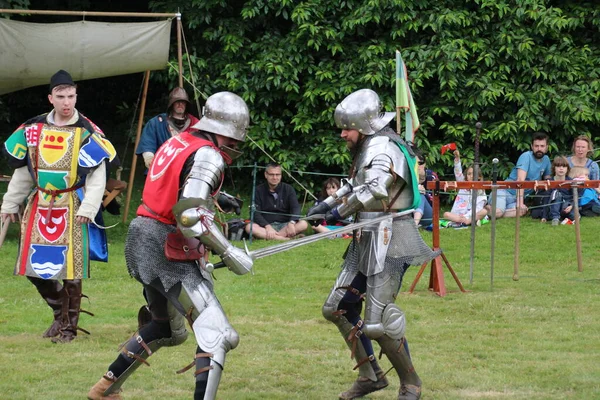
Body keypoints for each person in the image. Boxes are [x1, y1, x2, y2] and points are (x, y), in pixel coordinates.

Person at [87, 92, 254, 400]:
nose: (235, 145)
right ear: (223, 130)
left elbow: (174, 187)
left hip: (142, 236)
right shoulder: (209, 153)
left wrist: (216, 197)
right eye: (234, 137)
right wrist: (229, 252)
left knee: (167, 329)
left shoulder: (178, 141)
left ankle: (104, 389)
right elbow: (189, 215)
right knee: (219, 336)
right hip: (167, 247)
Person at [307, 89, 439, 400]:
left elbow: (376, 189)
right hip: (367, 238)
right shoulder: (370, 145)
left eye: (346, 128)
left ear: (364, 126)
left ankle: (411, 382)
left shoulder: (382, 146)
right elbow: (358, 183)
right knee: (337, 308)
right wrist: (326, 203)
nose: (342, 134)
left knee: (377, 324)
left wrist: (339, 212)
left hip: (392, 238)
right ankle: (371, 376)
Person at [1, 69, 117, 343]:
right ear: (50, 98)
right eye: (61, 96)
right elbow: (24, 171)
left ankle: (68, 328)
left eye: (71, 96)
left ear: (76, 96)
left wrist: (89, 208)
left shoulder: (86, 131)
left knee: (71, 269)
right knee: (33, 268)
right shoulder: (34, 129)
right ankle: (59, 313)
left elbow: (98, 174)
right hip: (40, 204)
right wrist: (9, 204)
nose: (67, 102)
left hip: (72, 204)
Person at [135, 87, 200, 169]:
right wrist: (150, 159)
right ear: (172, 104)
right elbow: (148, 144)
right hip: (161, 167)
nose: (180, 104)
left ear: (186, 104)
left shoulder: (195, 124)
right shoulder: (156, 123)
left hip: (188, 169)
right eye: (177, 102)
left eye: (183, 102)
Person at [491, 132, 552, 218]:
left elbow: (548, 180)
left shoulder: (546, 160)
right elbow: (520, 180)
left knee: (521, 212)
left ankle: (491, 211)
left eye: (542, 146)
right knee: (498, 212)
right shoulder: (526, 156)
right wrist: (520, 204)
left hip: (516, 199)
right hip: (504, 192)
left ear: (547, 147)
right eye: (536, 146)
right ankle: (488, 211)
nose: (539, 149)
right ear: (532, 146)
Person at [245, 163, 308, 240]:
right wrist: (267, 226)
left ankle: (274, 237)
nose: (275, 177)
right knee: (249, 227)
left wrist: (291, 223)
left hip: (285, 225)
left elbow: (296, 208)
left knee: (303, 224)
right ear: (266, 175)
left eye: (277, 174)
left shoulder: (288, 189)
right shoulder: (258, 190)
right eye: (271, 174)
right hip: (265, 225)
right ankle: (285, 239)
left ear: (281, 175)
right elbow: (255, 212)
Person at [443, 149, 488, 227]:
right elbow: (458, 173)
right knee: (446, 214)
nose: (471, 176)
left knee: (484, 211)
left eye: (474, 174)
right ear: (466, 176)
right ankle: (469, 222)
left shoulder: (481, 191)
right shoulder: (463, 184)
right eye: (469, 174)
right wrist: (457, 159)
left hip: (472, 215)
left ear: (479, 177)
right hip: (458, 216)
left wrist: (467, 217)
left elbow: (478, 208)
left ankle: (468, 222)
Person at [539, 156, 574, 225]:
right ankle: (555, 219)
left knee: (576, 215)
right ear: (554, 168)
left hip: (566, 207)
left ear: (567, 169)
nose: (561, 169)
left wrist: (571, 206)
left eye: (564, 166)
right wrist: (544, 217)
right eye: (558, 166)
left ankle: (565, 218)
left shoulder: (571, 181)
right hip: (552, 208)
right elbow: (546, 200)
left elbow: (575, 197)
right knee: (557, 193)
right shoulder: (549, 182)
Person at [412, 149, 437, 227]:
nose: (417, 166)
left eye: (420, 163)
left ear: (424, 164)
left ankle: (414, 225)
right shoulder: (408, 175)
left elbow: (435, 201)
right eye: (414, 163)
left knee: (420, 196)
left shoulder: (431, 176)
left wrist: (425, 193)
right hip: (409, 212)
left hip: (428, 215)